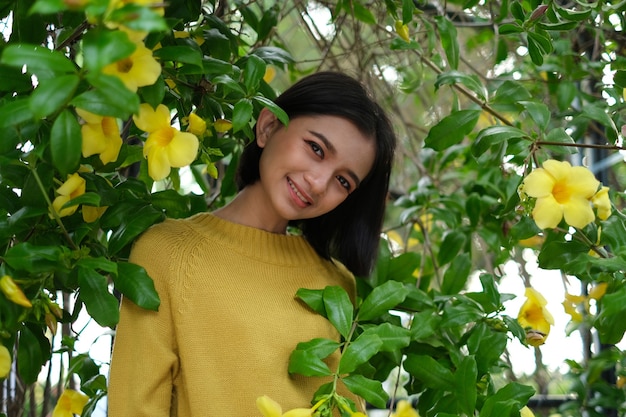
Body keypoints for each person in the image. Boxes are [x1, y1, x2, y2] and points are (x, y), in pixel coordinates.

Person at [107, 71, 397, 416]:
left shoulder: (337, 288)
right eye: (316, 149)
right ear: (268, 126)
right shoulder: (168, 253)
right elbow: (133, 408)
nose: (319, 184)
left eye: (343, 181)